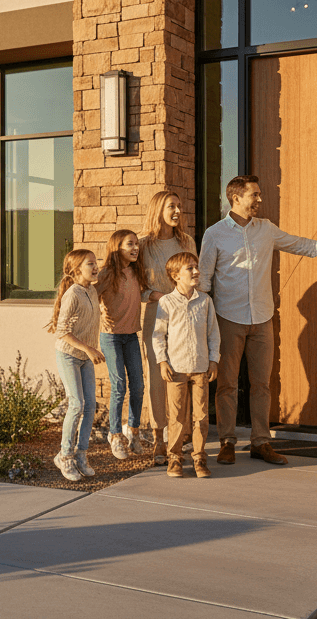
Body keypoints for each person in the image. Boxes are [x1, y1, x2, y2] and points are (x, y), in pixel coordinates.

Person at [199, 175, 317, 466]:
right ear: (236, 198)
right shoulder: (214, 234)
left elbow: (299, 244)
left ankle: (261, 442)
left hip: (263, 318)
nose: (260, 200)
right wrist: (203, 322)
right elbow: (204, 281)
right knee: (227, 385)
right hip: (227, 318)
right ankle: (227, 442)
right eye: (255, 195)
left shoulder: (266, 229)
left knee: (262, 384)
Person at [138, 190, 198, 466]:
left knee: (183, 374)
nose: (177, 211)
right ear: (158, 210)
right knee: (157, 379)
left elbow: (195, 277)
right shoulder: (143, 246)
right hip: (156, 316)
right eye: (171, 206)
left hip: (185, 317)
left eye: (179, 206)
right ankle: (159, 438)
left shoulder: (186, 242)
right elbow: (136, 286)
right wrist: (156, 295)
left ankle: (181, 433)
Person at [153, 251, 219, 478]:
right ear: (176, 275)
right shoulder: (166, 302)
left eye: (196, 266)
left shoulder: (205, 301)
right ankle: (175, 458)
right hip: (176, 368)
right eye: (190, 268)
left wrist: (213, 360)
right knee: (176, 417)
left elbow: (213, 334)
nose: (196, 271)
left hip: (200, 368)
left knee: (201, 417)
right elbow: (158, 335)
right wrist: (162, 361)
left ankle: (199, 458)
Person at [46, 249, 104, 482]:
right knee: (77, 404)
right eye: (90, 263)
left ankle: (81, 454)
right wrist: (89, 349)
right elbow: (62, 332)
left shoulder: (92, 290)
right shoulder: (72, 294)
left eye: (95, 262)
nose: (96, 266)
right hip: (69, 355)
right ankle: (65, 455)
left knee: (90, 406)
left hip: (84, 357)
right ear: (76, 269)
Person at [96, 229, 148, 461]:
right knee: (119, 386)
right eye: (130, 244)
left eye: (137, 244)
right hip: (111, 337)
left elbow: (145, 294)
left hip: (131, 336)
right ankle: (115, 434)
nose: (135, 248)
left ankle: (133, 431)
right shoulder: (107, 273)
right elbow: (89, 296)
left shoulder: (137, 271)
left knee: (138, 386)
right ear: (117, 248)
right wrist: (100, 314)